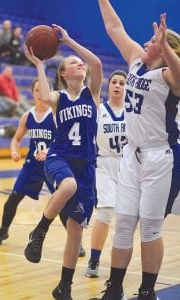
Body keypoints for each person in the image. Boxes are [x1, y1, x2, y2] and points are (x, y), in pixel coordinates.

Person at [97, 1, 180, 300]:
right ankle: (115, 288)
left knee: (149, 228)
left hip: (160, 157)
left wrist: (166, 47)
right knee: (123, 224)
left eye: (152, 41)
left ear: (163, 48)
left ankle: (147, 290)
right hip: (131, 155)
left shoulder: (170, 77)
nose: (145, 42)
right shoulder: (135, 59)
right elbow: (114, 28)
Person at [23, 24, 102, 300]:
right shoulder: (59, 98)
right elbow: (44, 96)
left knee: (76, 229)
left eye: (79, 62)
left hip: (88, 167)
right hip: (60, 157)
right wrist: (39, 65)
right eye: (71, 62)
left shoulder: (92, 93)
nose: (79, 63)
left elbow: (96, 62)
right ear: (64, 74)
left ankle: (63, 287)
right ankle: (39, 231)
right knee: (66, 186)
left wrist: (69, 41)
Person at [0, 77, 86, 257]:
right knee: (13, 198)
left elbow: (65, 140)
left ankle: (76, 242)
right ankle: (3, 230)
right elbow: (16, 139)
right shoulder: (28, 116)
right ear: (33, 93)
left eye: (43, 90)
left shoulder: (56, 114)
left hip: (52, 165)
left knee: (62, 203)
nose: (41, 94)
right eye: (37, 91)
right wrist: (14, 151)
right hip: (32, 166)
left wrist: (49, 150)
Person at [85, 70, 127, 278]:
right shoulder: (99, 109)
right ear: (108, 86)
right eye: (114, 82)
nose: (118, 86)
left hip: (129, 167)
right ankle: (94, 259)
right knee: (105, 213)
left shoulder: (133, 112)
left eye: (122, 82)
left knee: (126, 218)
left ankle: (118, 267)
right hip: (104, 164)